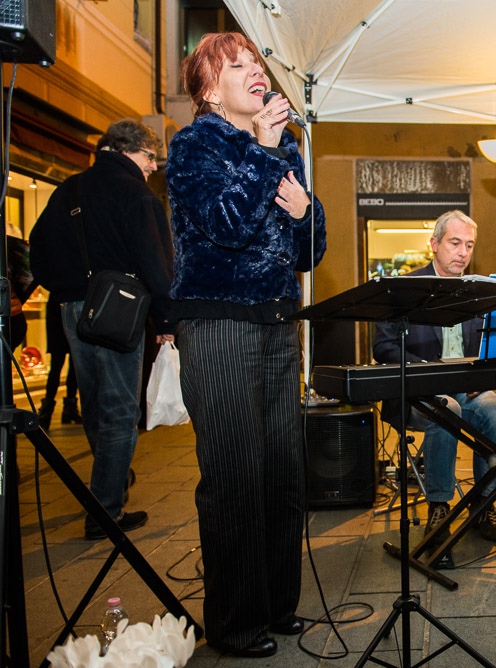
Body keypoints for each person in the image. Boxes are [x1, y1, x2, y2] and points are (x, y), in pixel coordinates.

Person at [166, 32, 327, 659]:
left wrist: (306, 211)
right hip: (218, 323)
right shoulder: (195, 146)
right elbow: (226, 227)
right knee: (235, 475)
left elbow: (308, 252)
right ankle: (235, 624)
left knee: (283, 474)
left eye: (258, 63)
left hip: (278, 321)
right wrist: (261, 150)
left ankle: (277, 605)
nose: (257, 71)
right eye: (238, 65)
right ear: (210, 89)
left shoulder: (283, 148)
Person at [29, 118, 174, 540]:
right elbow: (156, 261)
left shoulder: (69, 189)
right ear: (127, 150)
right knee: (120, 410)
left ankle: (112, 478)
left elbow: (36, 249)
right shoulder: (136, 194)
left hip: (73, 309)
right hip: (118, 309)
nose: (153, 167)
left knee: (93, 404)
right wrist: (166, 319)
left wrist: (66, 289)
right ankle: (105, 512)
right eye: (150, 157)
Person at [372, 210, 496, 564]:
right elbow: (383, 347)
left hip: (466, 387)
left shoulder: (476, 291)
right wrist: (428, 374)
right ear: (433, 244)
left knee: (495, 409)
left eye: (469, 245)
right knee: (446, 408)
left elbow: (489, 346)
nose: (463, 253)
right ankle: (439, 506)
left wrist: (482, 376)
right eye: (455, 243)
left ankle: (484, 503)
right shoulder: (404, 289)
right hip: (418, 393)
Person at [38, 298, 82, 430]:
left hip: (58, 308)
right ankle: (67, 408)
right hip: (68, 307)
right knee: (67, 366)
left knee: (59, 366)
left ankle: (48, 411)